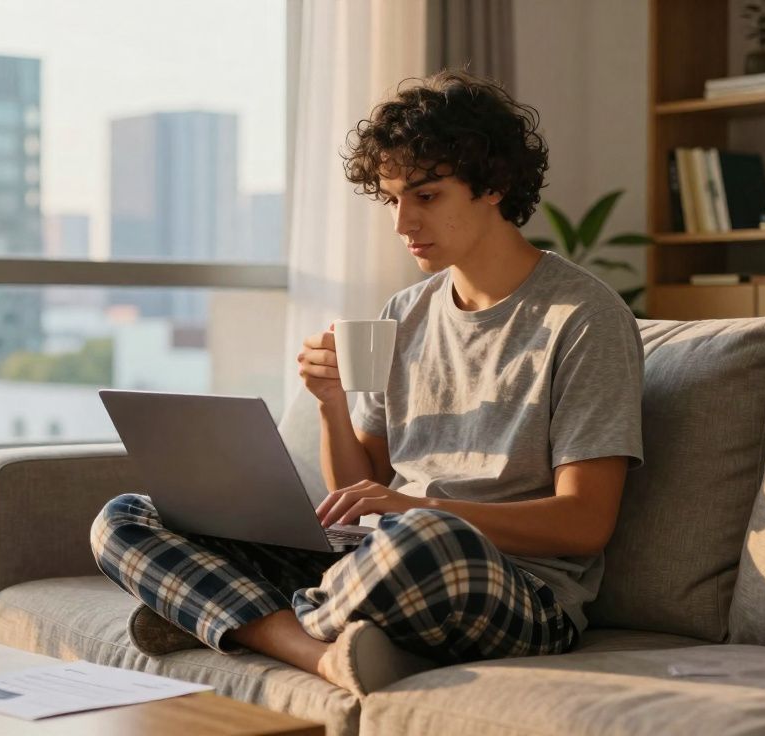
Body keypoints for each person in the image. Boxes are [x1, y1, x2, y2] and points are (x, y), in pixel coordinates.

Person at [89, 69, 644, 696]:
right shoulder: (403, 313)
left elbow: (584, 523)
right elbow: (364, 488)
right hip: (373, 560)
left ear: (493, 185)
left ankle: (231, 615)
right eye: (392, 199)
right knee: (127, 518)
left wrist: (423, 508)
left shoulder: (586, 318)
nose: (403, 222)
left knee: (427, 541)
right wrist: (331, 404)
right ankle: (315, 648)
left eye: (426, 196)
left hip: (510, 586)